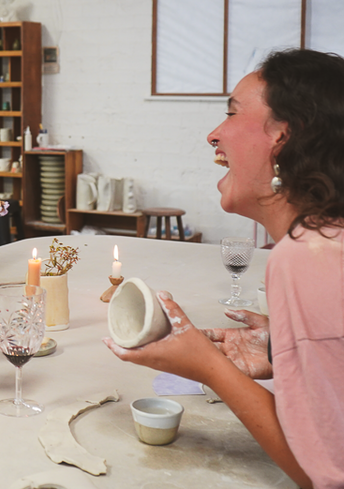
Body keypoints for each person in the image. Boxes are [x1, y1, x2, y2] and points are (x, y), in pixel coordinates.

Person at [104, 48, 344, 489]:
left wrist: (211, 369)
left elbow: (324, 473)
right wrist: (279, 346)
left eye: (232, 114)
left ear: (284, 137)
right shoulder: (329, 239)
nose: (214, 135)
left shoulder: (307, 256)